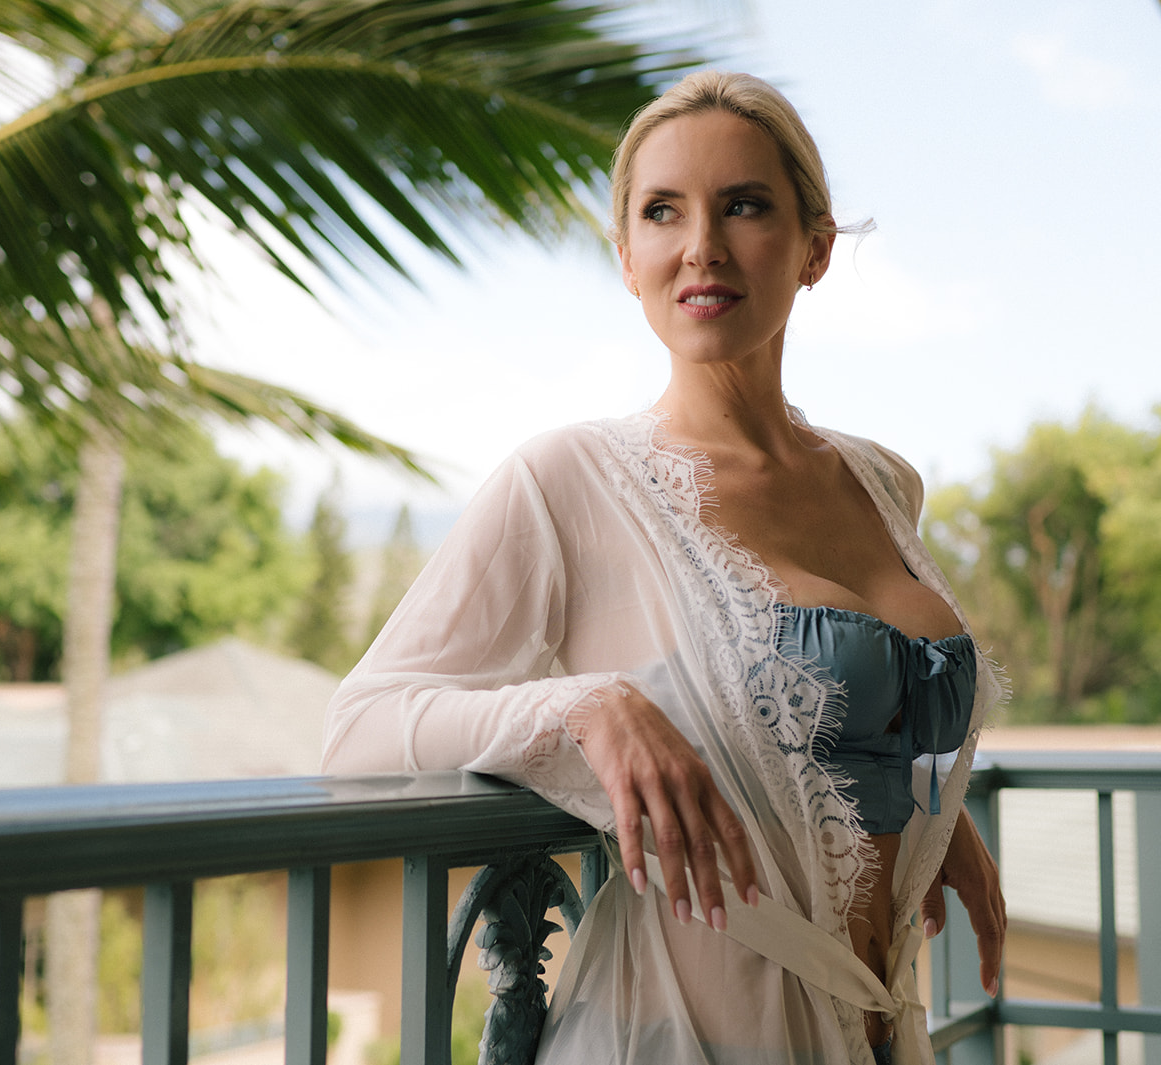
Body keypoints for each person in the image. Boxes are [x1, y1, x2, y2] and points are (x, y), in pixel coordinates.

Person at [322, 70, 1006, 1065]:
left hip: (880, 1026)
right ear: (626, 255)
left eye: (743, 206)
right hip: (672, 1038)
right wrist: (584, 709)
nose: (701, 248)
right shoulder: (569, 479)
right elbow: (358, 728)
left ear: (814, 248)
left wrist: (924, 811)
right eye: (661, 213)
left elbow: (839, 707)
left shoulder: (880, 480)